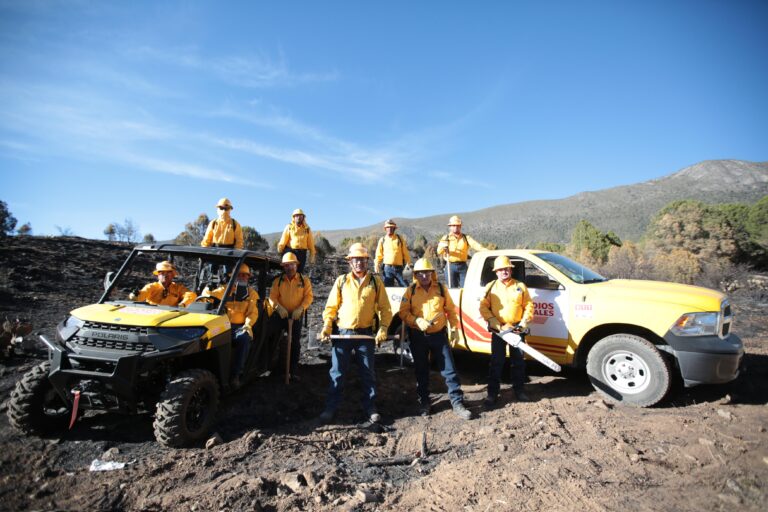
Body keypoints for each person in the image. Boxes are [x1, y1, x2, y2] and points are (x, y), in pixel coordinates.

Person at [319, 243, 392, 424]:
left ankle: (370, 408)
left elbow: (385, 308)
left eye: (362, 259)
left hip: (365, 335)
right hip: (343, 334)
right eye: (355, 259)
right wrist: (327, 325)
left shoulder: (375, 282)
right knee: (337, 373)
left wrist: (383, 328)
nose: (359, 262)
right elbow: (331, 307)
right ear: (350, 262)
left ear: (367, 261)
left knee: (368, 373)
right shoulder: (341, 281)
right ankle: (331, 408)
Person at [399, 258, 472, 420]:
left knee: (449, 370)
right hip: (418, 337)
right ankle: (424, 402)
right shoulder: (410, 291)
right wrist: (417, 320)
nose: (424, 276)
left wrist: (454, 329)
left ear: (432, 273)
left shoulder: (440, 289)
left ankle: (457, 403)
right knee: (421, 370)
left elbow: (450, 310)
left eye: (427, 272)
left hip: (439, 335)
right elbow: (403, 312)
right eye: (420, 273)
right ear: (415, 275)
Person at [479, 255, 534, 406]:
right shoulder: (491, 287)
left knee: (518, 362)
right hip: (499, 331)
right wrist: (496, 324)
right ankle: (492, 394)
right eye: (501, 269)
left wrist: (523, 324)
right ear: (496, 272)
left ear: (511, 270)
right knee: (496, 362)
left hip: (517, 330)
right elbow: (483, 307)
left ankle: (519, 391)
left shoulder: (520, 286)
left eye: (507, 269)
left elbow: (529, 306)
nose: (504, 271)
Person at [206, 264, 259, 389]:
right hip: (222, 325)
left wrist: (247, 326)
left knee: (244, 338)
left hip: (239, 327)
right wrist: (207, 290)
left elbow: (252, 313)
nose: (242, 277)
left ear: (248, 277)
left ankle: (236, 374)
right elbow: (210, 297)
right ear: (233, 276)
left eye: (244, 275)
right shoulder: (224, 289)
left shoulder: (251, 294)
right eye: (239, 275)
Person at [268, 252, 314, 382]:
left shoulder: (304, 281)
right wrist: (278, 307)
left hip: (296, 316)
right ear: (283, 267)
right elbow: (272, 297)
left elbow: (309, 297)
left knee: (295, 343)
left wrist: (301, 308)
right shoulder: (278, 281)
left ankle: (293, 370)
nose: (290, 267)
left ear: (296, 265)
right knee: (273, 338)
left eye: (292, 264)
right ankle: (275, 368)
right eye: (287, 265)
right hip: (280, 315)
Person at [436, 215, 489, 288]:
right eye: (453, 225)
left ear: (460, 226)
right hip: (450, 266)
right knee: (452, 289)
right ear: (450, 227)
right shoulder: (445, 238)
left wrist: (489, 252)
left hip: (463, 266)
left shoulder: (466, 237)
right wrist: (443, 248)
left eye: (457, 225)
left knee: (465, 288)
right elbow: (439, 251)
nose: (455, 227)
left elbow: (476, 245)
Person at [131, 261, 197, 307]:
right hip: (153, 314)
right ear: (158, 275)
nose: (165, 275)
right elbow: (142, 295)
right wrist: (135, 295)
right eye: (161, 273)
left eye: (168, 273)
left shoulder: (178, 288)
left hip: (170, 317)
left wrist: (183, 304)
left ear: (173, 275)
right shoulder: (151, 287)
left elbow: (191, 295)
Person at [374, 219, 412, 287]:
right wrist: (376, 265)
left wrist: (408, 264)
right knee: (388, 289)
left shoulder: (399, 239)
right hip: (387, 269)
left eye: (391, 227)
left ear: (394, 228)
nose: (389, 229)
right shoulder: (382, 240)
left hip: (399, 268)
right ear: (385, 229)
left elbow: (405, 253)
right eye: (388, 227)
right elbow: (378, 254)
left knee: (406, 287)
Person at [277, 208, 316, 273]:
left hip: (302, 253)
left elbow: (311, 243)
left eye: (300, 215)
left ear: (303, 217)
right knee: (289, 271)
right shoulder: (289, 227)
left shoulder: (307, 229)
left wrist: (312, 255)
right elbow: (283, 239)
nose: (299, 217)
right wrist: (280, 249)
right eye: (297, 215)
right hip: (290, 252)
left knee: (299, 272)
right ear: (294, 217)